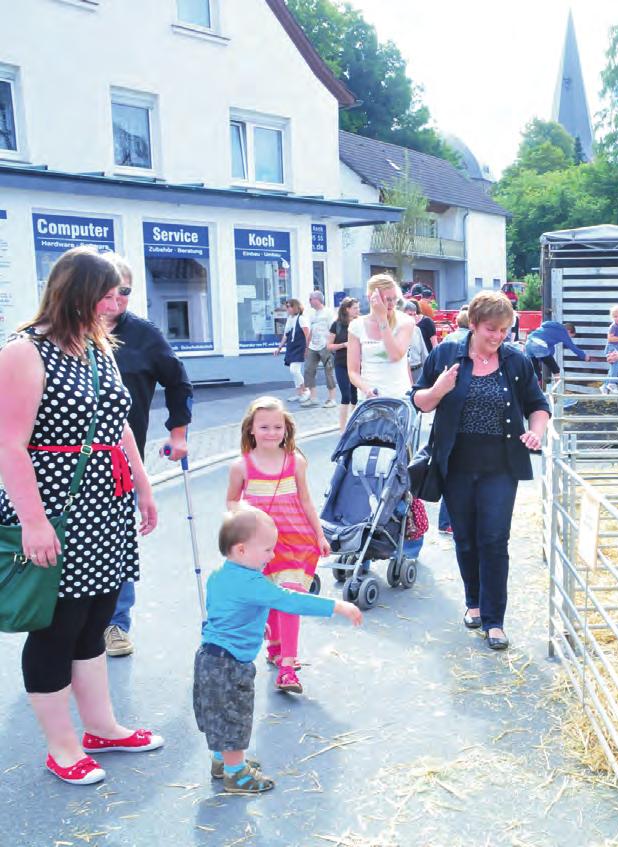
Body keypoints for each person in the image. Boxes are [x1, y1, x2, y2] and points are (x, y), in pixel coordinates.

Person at [0, 247, 161, 786]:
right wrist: (34, 521)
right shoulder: (24, 352)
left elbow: (116, 425)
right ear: (78, 291)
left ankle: (102, 728)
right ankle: (62, 746)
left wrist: (142, 487)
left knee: (96, 620)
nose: (118, 303)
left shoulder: (96, 346)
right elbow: (8, 445)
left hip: (104, 506)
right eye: (110, 292)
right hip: (55, 509)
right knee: (55, 626)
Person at [411, 291, 550, 650]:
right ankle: (473, 601)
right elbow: (419, 402)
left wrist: (535, 432)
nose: (498, 336)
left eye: (505, 329)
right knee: (466, 539)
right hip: (455, 464)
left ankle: (494, 620)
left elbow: (538, 405)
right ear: (473, 325)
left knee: (494, 540)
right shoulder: (446, 354)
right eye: (491, 329)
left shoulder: (516, 361)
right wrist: (439, 389)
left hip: (501, 466)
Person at [193, 506, 361, 793]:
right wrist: (336, 605)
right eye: (268, 550)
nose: (272, 556)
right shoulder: (252, 582)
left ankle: (221, 761)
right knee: (234, 717)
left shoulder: (219, 575)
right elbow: (290, 601)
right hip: (230, 664)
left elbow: (227, 611)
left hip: (208, 657)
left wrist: (256, 627)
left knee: (218, 713)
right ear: (242, 550)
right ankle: (236, 774)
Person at [103, 256, 193, 658]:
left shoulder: (142, 335)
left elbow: (178, 382)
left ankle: (114, 624)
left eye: (125, 291)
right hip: (62, 463)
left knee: (118, 543)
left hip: (123, 460)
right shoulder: (63, 335)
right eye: (108, 291)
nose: (117, 299)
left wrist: (178, 434)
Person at [226, 396, 331, 694]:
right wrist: (242, 520)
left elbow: (306, 500)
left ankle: (288, 667)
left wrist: (320, 535)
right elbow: (232, 500)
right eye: (264, 427)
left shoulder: (295, 461)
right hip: (259, 542)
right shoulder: (241, 466)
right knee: (269, 596)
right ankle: (275, 645)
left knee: (289, 596)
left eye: (277, 427)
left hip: (296, 538)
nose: (271, 433)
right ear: (251, 430)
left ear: (286, 430)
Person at [347, 274, 414, 400]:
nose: (392, 304)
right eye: (387, 299)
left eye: (395, 299)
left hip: (400, 398)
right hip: (370, 399)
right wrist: (366, 389)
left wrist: (382, 319)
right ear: (371, 297)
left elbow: (395, 355)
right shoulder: (356, 325)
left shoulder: (405, 321)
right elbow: (353, 371)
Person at [327, 296, 360, 431]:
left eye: (358, 307)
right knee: (345, 395)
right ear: (347, 309)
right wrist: (343, 345)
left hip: (357, 364)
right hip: (341, 363)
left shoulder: (360, 323)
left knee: (355, 395)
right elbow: (329, 346)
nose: (358, 310)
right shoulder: (337, 325)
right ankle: (342, 428)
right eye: (355, 308)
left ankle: (354, 424)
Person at [301, 290, 337, 408]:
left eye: (310, 299)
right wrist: (307, 346)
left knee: (329, 371)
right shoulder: (312, 314)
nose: (309, 302)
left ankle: (331, 399)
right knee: (308, 370)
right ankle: (313, 397)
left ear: (317, 299)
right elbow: (311, 331)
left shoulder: (329, 313)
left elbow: (334, 330)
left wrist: (331, 345)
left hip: (325, 346)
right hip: (313, 346)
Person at [525, 320, 590, 384]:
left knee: (536, 372)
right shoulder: (563, 332)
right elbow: (572, 347)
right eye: (570, 336)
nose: (569, 338)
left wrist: (550, 354)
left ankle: (534, 389)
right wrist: (584, 356)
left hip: (528, 343)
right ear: (569, 331)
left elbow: (550, 346)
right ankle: (556, 388)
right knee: (555, 368)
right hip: (538, 344)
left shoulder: (551, 327)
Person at [274, 299, 310, 402]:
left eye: (289, 306)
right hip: (291, 347)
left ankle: (305, 391)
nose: (287, 309)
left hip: (299, 347)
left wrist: (307, 349)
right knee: (294, 372)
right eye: (287, 307)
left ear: (295, 307)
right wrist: (279, 348)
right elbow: (286, 335)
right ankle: (299, 393)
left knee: (294, 370)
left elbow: (307, 334)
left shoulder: (302, 319)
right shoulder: (290, 319)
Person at [402, 301, 428, 384]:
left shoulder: (417, 330)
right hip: (403, 371)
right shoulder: (397, 331)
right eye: (410, 314)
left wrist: (428, 371)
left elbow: (424, 353)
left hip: (418, 369)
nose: (413, 317)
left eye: (414, 314)